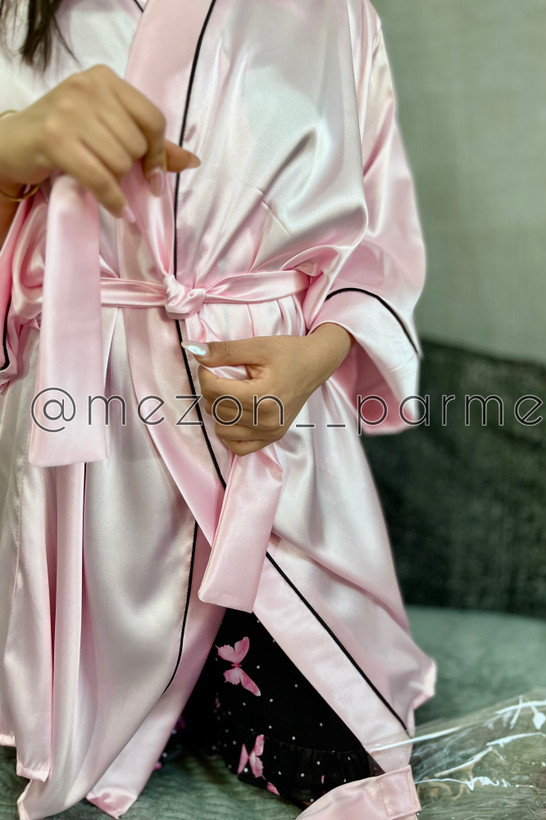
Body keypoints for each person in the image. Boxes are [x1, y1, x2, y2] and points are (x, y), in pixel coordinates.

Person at [0, 0, 436, 818]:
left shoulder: (335, 14)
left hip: (271, 428)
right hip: (89, 436)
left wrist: (320, 353)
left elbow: (382, 240)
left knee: (341, 745)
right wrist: (6, 155)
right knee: (92, 690)